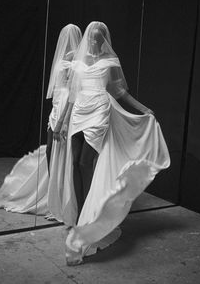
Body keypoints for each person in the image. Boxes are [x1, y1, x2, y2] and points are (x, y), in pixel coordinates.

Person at [55, 21, 170, 265]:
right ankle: (78, 217)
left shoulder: (110, 62)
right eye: (92, 38)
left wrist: (143, 108)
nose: (95, 42)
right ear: (87, 38)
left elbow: (120, 93)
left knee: (87, 163)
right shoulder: (77, 62)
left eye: (99, 39)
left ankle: (90, 219)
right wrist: (61, 123)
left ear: (104, 40)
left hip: (99, 112)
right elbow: (72, 96)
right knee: (74, 163)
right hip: (79, 113)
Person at [0, 24, 82, 218]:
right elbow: (57, 88)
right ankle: (53, 197)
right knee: (51, 151)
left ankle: (65, 201)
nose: (67, 40)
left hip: (67, 109)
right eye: (65, 37)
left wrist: (64, 119)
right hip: (56, 108)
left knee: (65, 155)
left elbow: (74, 91)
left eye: (70, 37)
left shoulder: (78, 61)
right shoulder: (62, 59)